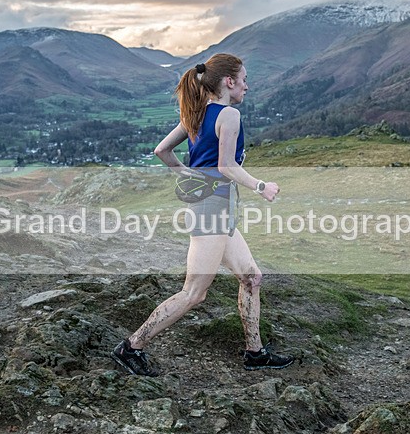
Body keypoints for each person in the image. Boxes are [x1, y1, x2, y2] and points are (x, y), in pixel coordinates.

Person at [110, 53, 295, 376]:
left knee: (252, 278)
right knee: (194, 293)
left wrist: (187, 174)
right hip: (211, 211)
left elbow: (161, 151)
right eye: (244, 80)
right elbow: (226, 166)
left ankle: (255, 352)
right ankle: (131, 347)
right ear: (229, 82)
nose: (247, 87)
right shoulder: (229, 116)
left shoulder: (195, 115)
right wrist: (261, 185)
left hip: (215, 208)